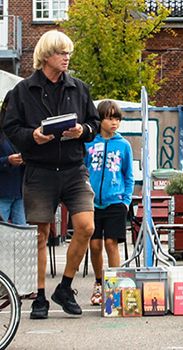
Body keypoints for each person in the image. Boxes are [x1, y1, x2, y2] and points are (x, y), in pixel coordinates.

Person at [2, 30, 100, 319]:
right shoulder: (22, 91)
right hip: (40, 171)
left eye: (68, 52)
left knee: (86, 226)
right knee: (40, 235)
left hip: (73, 169)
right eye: (61, 52)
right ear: (47, 56)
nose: (66, 57)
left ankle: (65, 287)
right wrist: (32, 136)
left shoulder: (80, 89)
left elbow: (93, 123)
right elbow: (11, 128)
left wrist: (83, 131)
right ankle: (40, 297)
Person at [85, 100, 134, 306]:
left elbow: (129, 175)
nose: (114, 122)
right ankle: (98, 282)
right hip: (92, 202)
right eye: (109, 118)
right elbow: (82, 169)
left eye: (117, 118)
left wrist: (126, 201)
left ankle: (115, 286)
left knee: (111, 243)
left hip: (116, 202)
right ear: (100, 120)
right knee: (95, 244)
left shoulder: (123, 145)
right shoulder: (89, 143)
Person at [0, 92, 26, 225]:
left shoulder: (22, 130)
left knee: (21, 234)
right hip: (3, 192)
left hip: (20, 192)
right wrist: (7, 161)